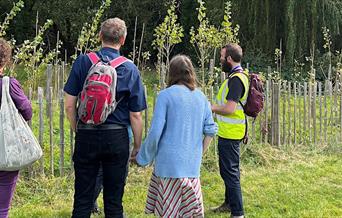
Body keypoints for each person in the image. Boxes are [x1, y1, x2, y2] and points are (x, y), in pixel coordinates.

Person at [64, 18, 147, 218]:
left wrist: (79, 129)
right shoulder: (130, 68)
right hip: (116, 138)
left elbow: (68, 104)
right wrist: (136, 146)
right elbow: (135, 114)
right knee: (114, 203)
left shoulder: (83, 61)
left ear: (100, 36)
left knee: (82, 201)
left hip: (86, 135)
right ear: (123, 40)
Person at [136, 55, 217, 217]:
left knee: (168, 212)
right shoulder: (201, 97)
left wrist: (143, 157)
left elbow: (155, 132)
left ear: (171, 73)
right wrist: (200, 152)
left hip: (168, 166)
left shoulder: (165, 95)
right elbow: (211, 130)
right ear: (191, 73)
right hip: (192, 167)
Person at [211, 43, 249, 218]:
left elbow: (230, 109)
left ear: (229, 59)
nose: (220, 59)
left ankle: (238, 213)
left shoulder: (236, 80)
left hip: (231, 133)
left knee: (230, 172)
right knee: (228, 170)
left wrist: (210, 107)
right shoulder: (237, 76)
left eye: (221, 56)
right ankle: (229, 203)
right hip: (230, 131)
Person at [0, 38, 33, 218]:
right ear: (4, 60)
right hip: (6, 148)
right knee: (2, 206)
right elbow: (27, 111)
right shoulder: (8, 84)